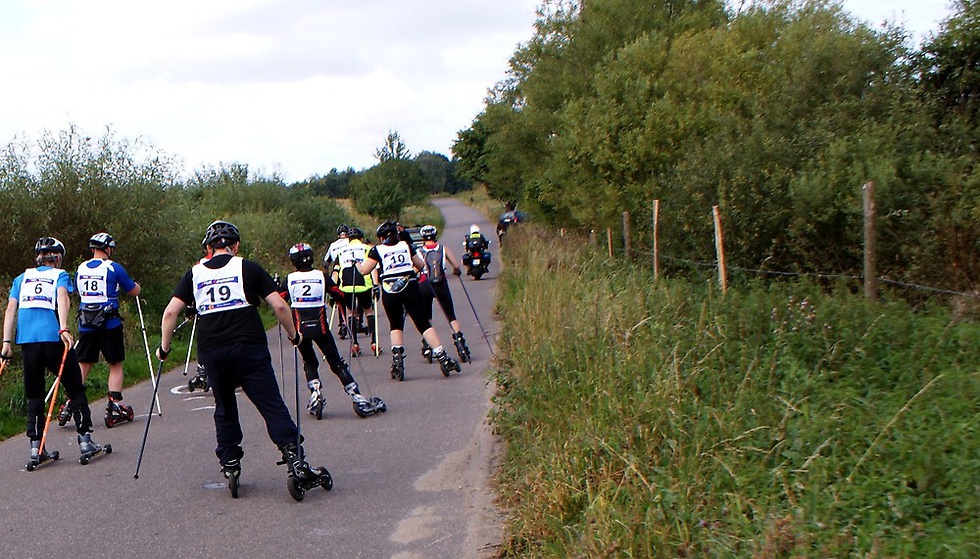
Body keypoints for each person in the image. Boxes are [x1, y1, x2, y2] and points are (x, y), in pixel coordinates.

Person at [156, 220, 327, 487]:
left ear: (209, 248)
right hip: (249, 347)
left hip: (213, 351)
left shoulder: (194, 274)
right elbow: (280, 307)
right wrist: (294, 335)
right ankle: (294, 458)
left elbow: (170, 313)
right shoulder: (248, 267)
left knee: (224, 406)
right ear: (235, 246)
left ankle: (230, 461)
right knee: (270, 404)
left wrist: (164, 348)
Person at [2, 237, 104, 466]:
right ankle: (85, 440)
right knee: (75, 387)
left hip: (27, 341)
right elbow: (62, 297)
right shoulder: (60, 275)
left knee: (35, 394)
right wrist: (64, 328)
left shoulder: (21, 278)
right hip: (53, 338)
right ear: (57, 258)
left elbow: (10, 309)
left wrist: (6, 343)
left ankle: (35, 447)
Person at [281, 242, 379, 417]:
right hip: (321, 328)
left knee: (309, 361)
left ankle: (315, 393)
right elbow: (338, 294)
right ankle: (356, 395)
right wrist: (338, 304)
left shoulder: (290, 278)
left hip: (300, 329)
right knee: (336, 362)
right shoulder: (321, 276)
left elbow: (279, 298)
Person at [356, 221, 461, 379]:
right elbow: (420, 264)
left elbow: (365, 270)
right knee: (423, 323)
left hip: (389, 289)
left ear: (381, 237)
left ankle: (397, 359)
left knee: (395, 324)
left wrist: (357, 265)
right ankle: (442, 356)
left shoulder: (376, 250)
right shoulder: (406, 245)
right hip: (410, 285)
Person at [72, 232, 141, 428]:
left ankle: (72, 400)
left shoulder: (81, 268)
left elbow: (77, 291)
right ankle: (114, 405)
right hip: (110, 324)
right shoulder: (113, 267)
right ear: (108, 248)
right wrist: (137, 286)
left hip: (87, 323)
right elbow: (133, 290)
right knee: (115, 364)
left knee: (84, 363)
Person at [416, 225, 470, 363]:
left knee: (426, 316)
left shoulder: (419, 251)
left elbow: (414, 269)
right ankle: (459, 341)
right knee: (450, 315)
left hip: (424, 285)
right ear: (435, 236)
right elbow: (456, 265)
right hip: (441, 285)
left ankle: (427, 345)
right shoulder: (443, 248)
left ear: (422, 238)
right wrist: (456, 271)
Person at [334, 227, 380, 356]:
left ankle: (354, 344)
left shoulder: (341, 251)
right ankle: (374, 342)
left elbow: (336, 271)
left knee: (351, 313)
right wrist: (376, 284)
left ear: (348, 239)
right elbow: (374, 268)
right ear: (361, 238)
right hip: (364, 283)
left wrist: (334, 288)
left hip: (346, 285)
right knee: (368, 311)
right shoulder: (367, 249)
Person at [323, 225, 350, 338]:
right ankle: (357, 319)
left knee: (340, 298)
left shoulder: (333, 245)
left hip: (337, 273)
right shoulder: (350, 241)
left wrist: (327, 277)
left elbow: (326, 262)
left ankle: (342, 323)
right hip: (349, 271)